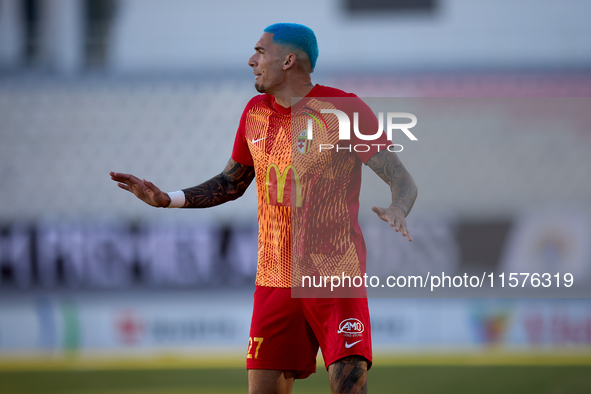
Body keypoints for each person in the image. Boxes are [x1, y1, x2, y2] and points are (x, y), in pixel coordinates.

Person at [110, 23, 417, 394]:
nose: (251, 60)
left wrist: (398, 207)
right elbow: (231, 183)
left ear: (288, 60)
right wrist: (168, 198)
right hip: (274, 280)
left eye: (260, 51)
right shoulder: (255, 112)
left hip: (333, 277)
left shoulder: (343, 109)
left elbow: (402, 178)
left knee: (349, 390)